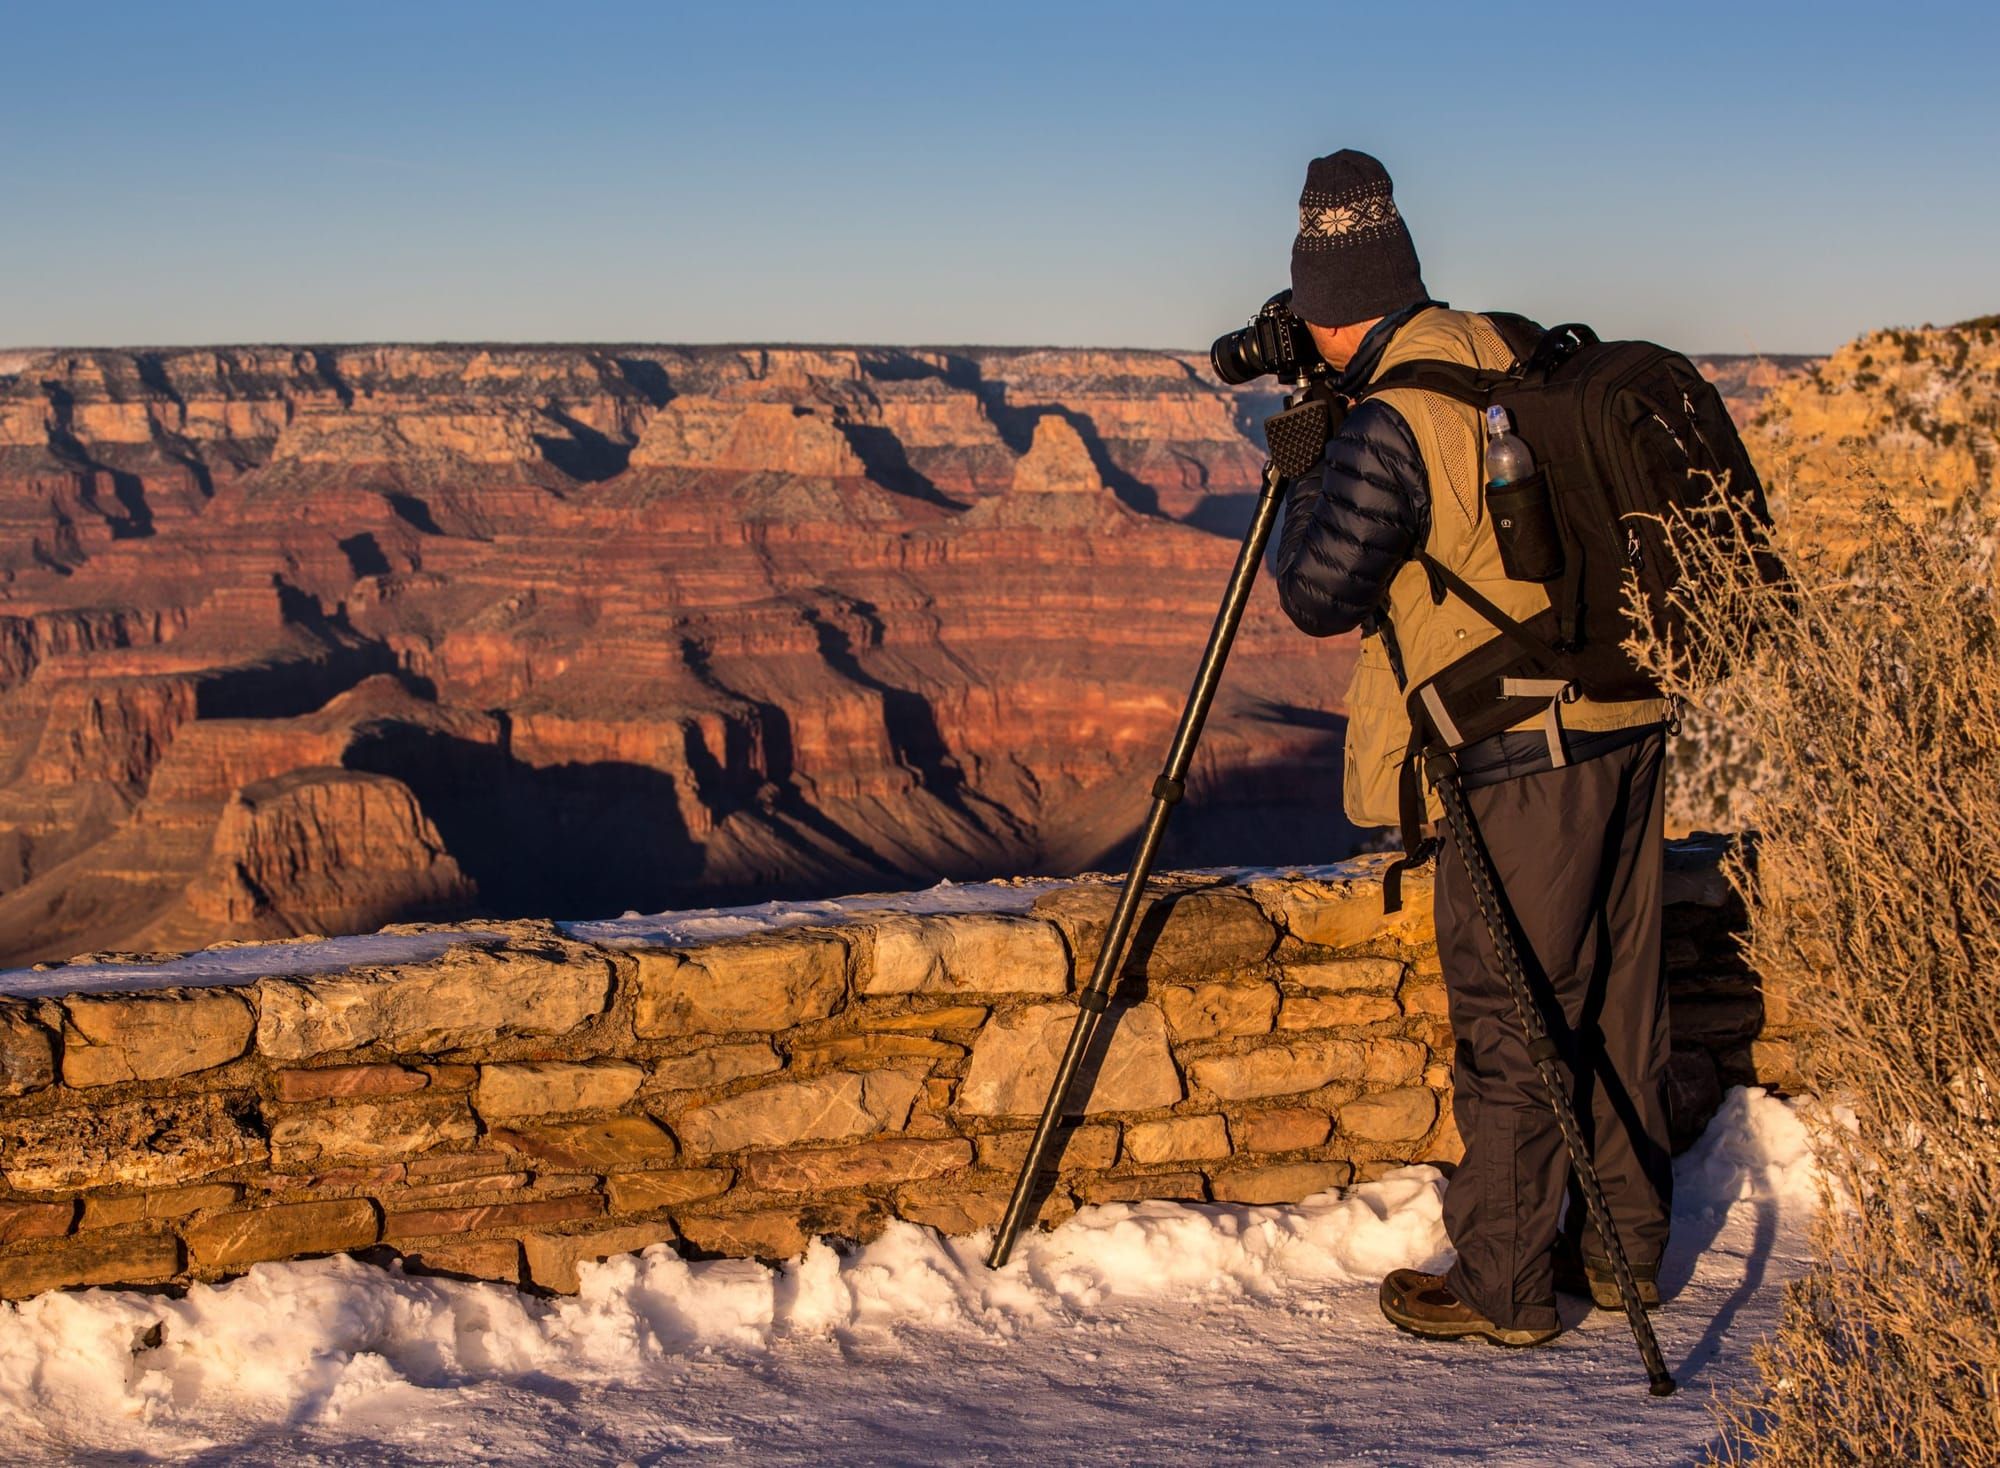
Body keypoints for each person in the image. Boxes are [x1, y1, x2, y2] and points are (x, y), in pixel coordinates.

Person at [1270, 150, 1675, 1347]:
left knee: (1514, 1008)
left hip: (1518, 746)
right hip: (1626, 712)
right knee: (1619, 1002)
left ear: (1324, 311)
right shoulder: (1505, 348)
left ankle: (1502, 1283)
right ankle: (1620, 1252)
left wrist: (1304, 461)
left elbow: (1312, 591)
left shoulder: (1392, 418)